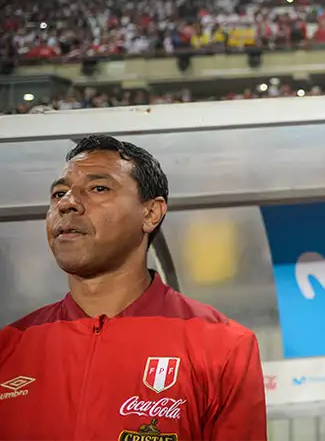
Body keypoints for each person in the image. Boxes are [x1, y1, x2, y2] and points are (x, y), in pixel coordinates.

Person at [0, 135, 267, 441]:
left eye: (98, 188)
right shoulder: (9, 347)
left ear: (150, 213)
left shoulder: (223, 346)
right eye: (59, 193)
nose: (67, 203)